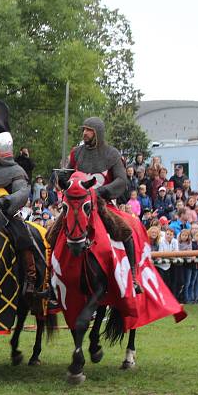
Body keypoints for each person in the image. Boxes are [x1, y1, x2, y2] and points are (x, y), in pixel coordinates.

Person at [60, 116, 140, 293]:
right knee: (52, 233)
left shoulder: (112, 154)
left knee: (125, 231)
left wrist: (100, 192)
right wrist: (61, 179)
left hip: (103, 203)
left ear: (98, 133)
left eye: (89, 130)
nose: (85, 133)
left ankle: (133, 277)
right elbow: (66, 178)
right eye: (84, 130)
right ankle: (50, 279)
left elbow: (121, 181)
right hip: (77, 204)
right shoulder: (76, 153)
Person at [0, 131, 39, 296]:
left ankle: (30, 277)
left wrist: (6, 201)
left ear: (0, 151)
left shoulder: (16, 170)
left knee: (24, 237)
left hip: (8, 215)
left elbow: (22, 193)